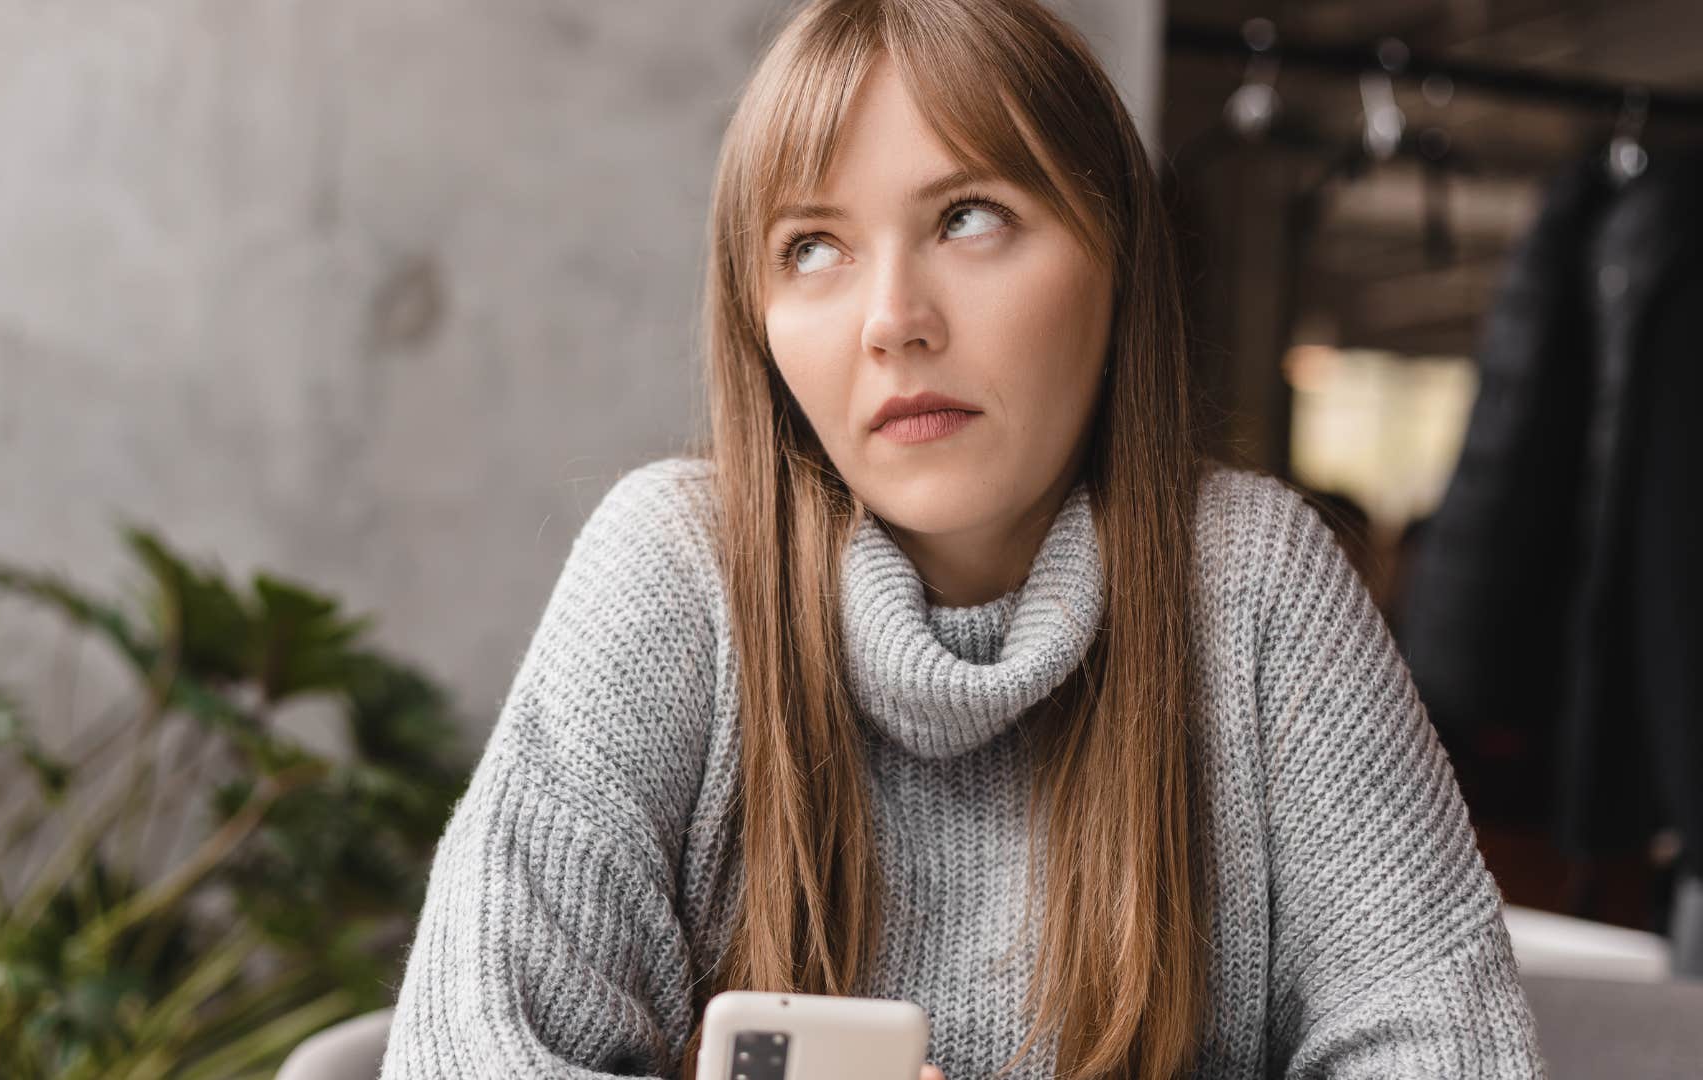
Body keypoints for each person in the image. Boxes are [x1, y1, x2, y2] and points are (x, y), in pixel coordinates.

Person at [379, 1, 1545, 1077]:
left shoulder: (1249, 585)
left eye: (969, 217)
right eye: (813, 247)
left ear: (1114, 255)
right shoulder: (682, 567)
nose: (894, 321)